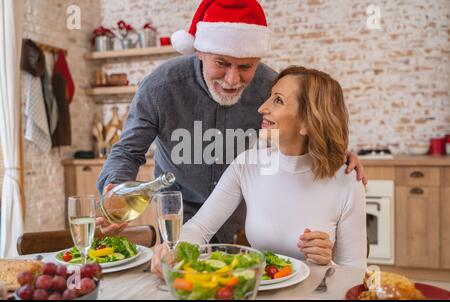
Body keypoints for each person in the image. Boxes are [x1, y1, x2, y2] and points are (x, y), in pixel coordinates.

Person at [96, 0, 367, 243]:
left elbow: (296, 135)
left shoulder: (270, 89)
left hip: (244, 218)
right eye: (222, 63)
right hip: (177, 214)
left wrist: (331, 150)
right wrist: (115, 188)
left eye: (246, 67)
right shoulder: (160, 87)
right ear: (199, 51)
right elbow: (127, 151)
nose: (232, 79)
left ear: (257, 60)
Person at [151, 66, 367, 277]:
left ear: (308, 122)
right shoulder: (248, 164)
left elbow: (356, 272)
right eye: (270, 97)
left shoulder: (347, 179)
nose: (262, 107)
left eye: (278, 100)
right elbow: (200, 227)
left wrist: (327, 264)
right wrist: (175, 249)